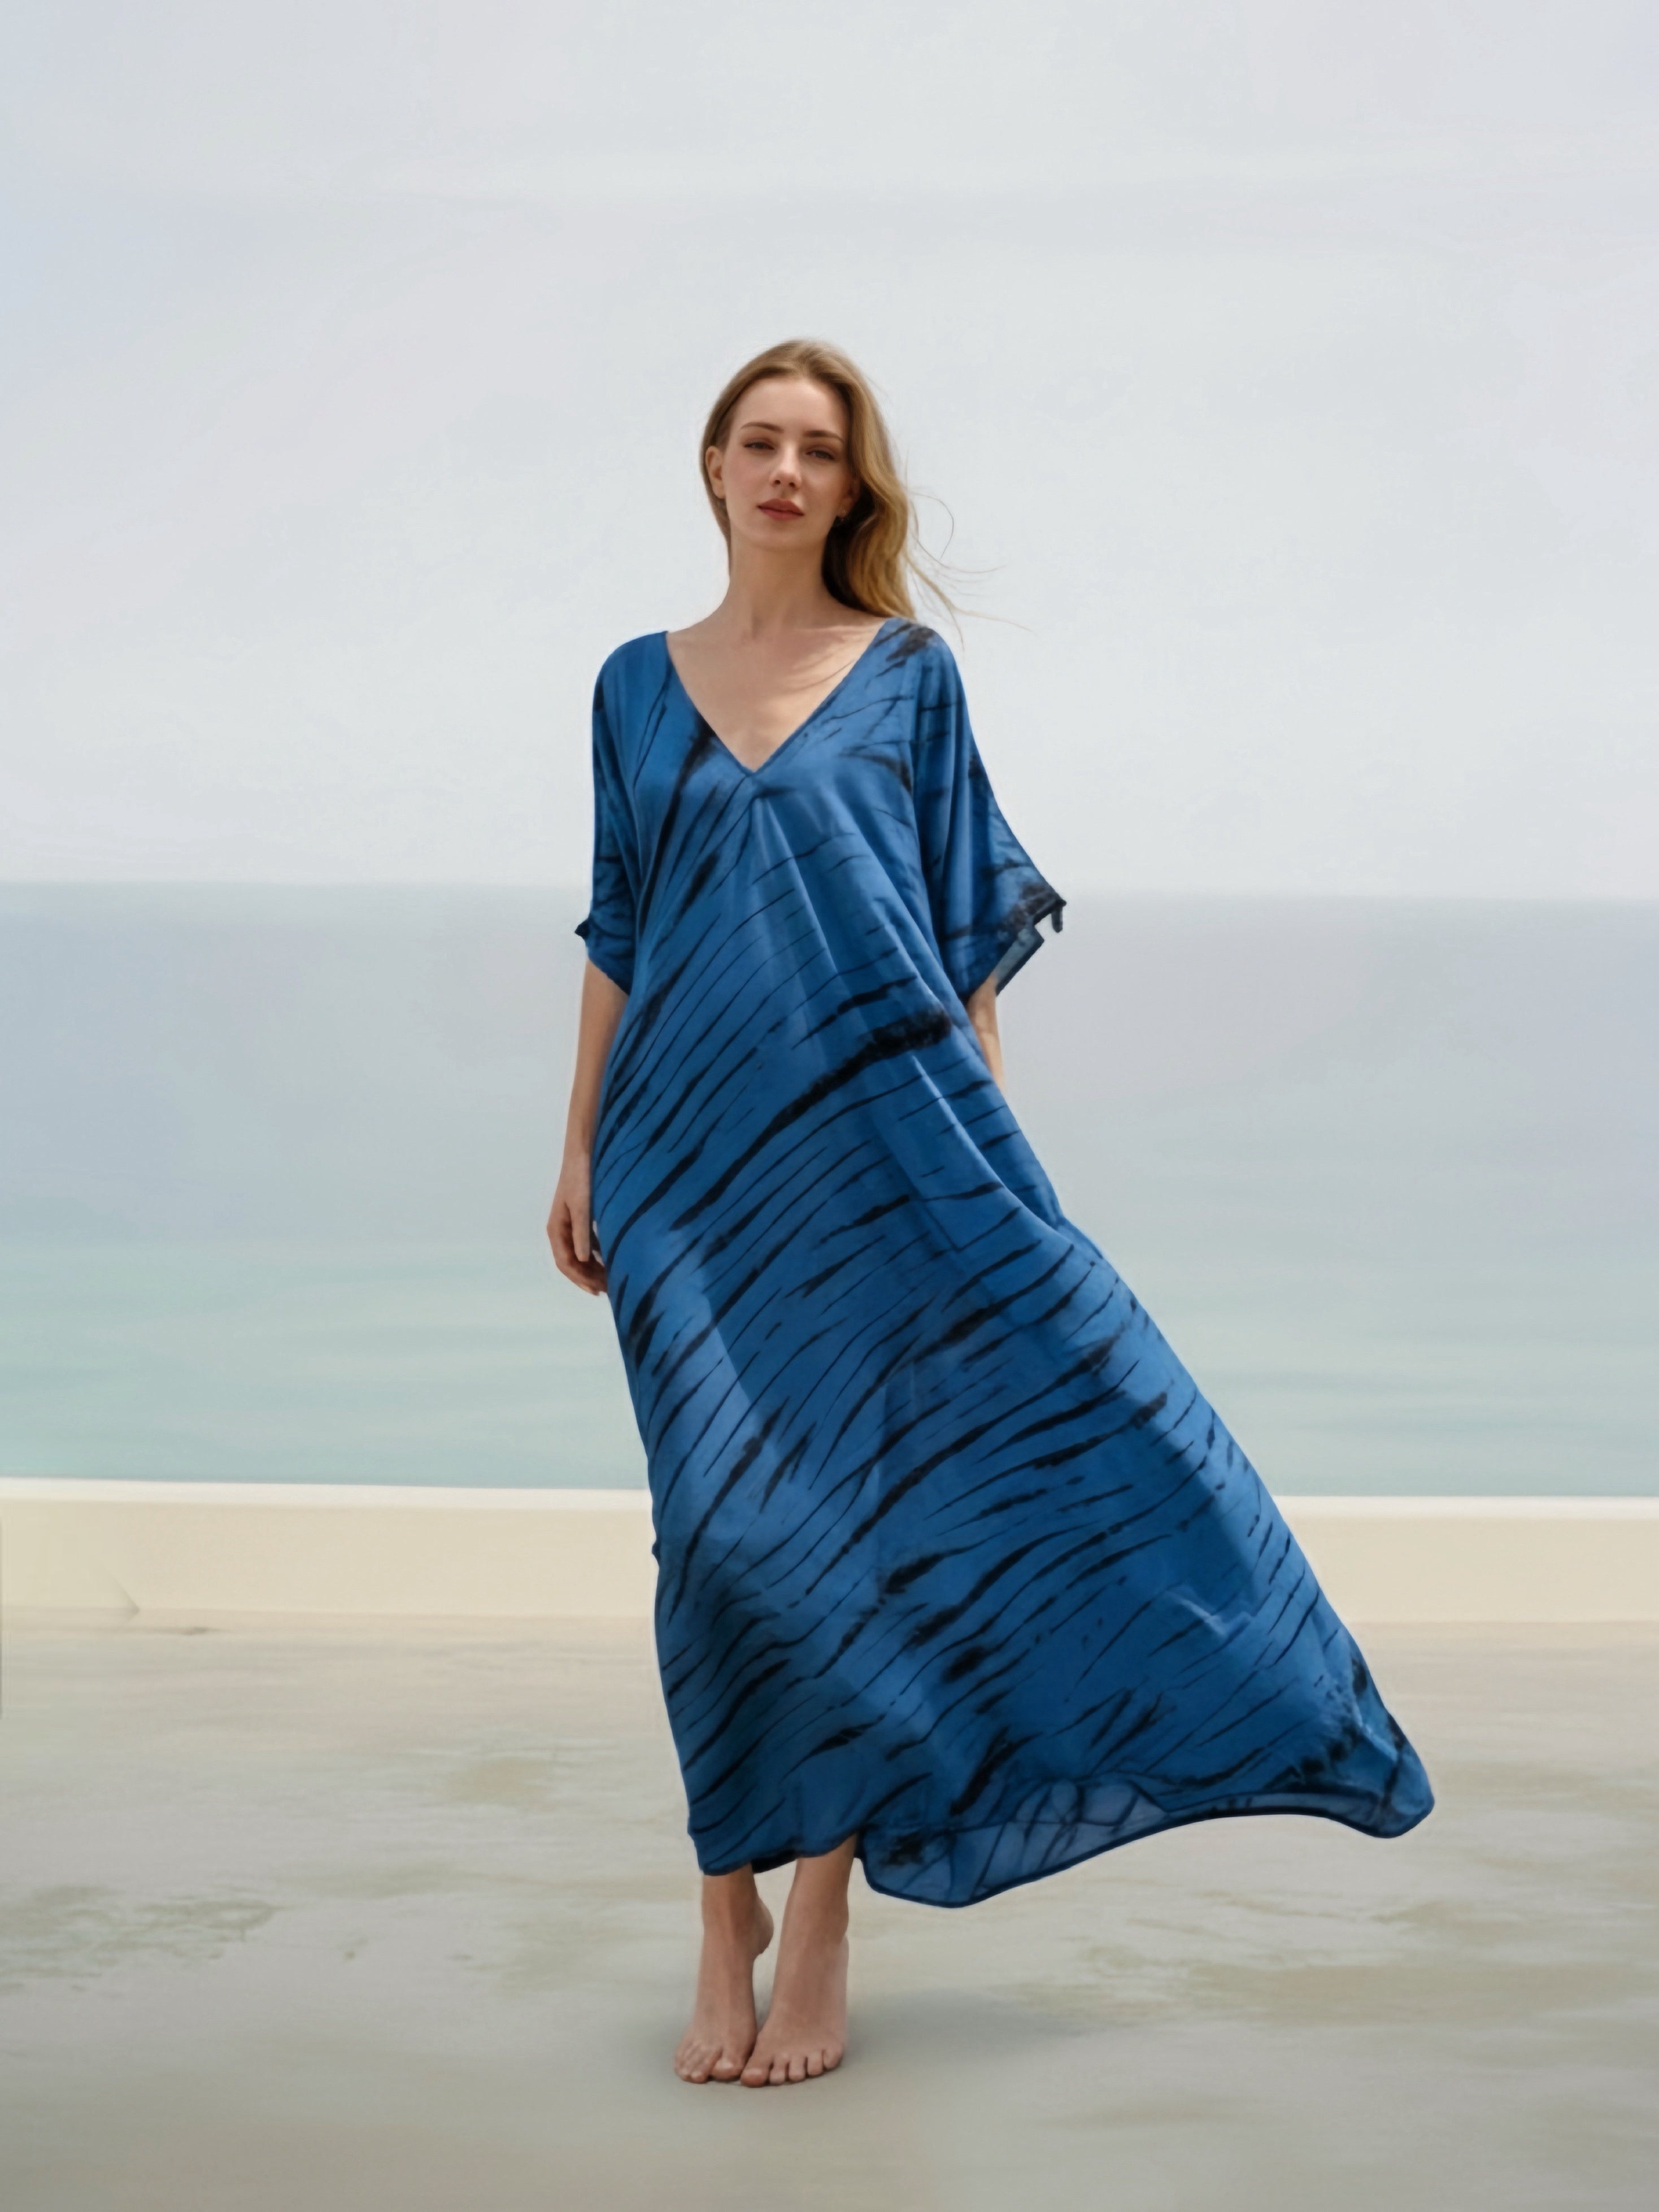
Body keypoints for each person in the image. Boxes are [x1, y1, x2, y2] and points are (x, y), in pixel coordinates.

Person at [547, 338, 1432, 2090]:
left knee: (846, 1535)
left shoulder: (908, 678)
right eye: (759, 443)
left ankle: (818, 1913)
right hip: (679, 1171)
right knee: (716, 1539)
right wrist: (575, 1148)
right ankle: (718, 1900)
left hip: (882, 1160)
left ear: (851, 487)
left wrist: (992, 1172)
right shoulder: (632, 685)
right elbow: (616, 929)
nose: (787, 472)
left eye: (818, 450)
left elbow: (961, 941)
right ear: (711, 470)